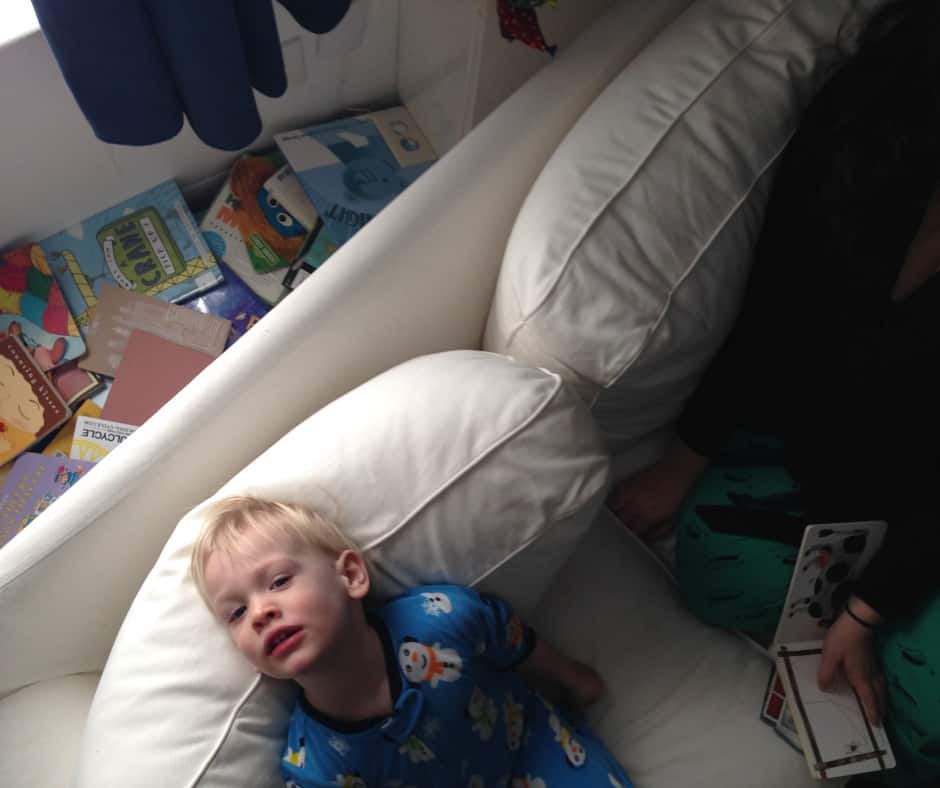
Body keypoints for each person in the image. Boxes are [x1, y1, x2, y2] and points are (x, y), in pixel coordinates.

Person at [609, 2, 940, 785]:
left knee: (920, 725)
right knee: (711, 560)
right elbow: (778, 303)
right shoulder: (871, 127)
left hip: (925, 501)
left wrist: (866, 613)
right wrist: (686, 457)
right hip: (827, 460)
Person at [190, 495, 633, 787]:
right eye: (237, 612)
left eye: (280, 580)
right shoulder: (316, 767)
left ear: (350, 575)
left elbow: (507, 636)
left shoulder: (439, 620)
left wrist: (572, 678)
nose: (261, 613)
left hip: (537, 751)